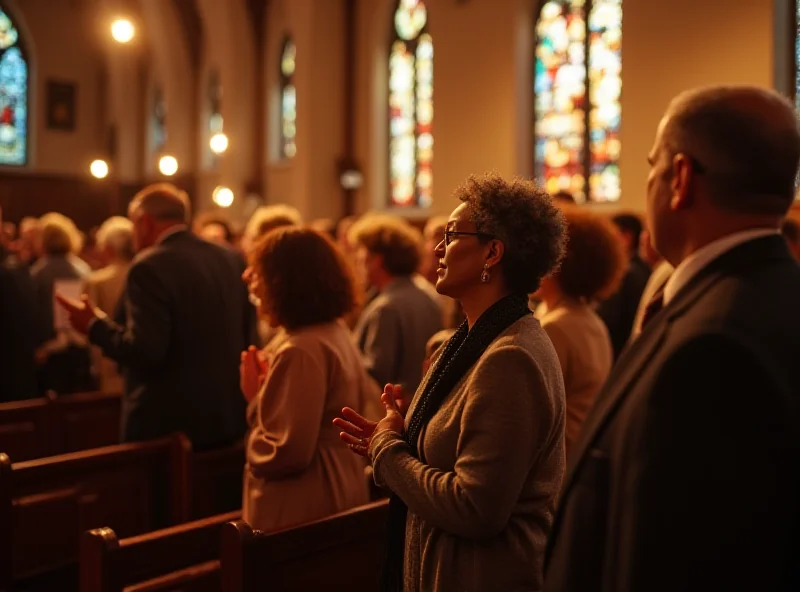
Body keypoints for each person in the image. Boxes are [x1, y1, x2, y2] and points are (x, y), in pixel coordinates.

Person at [544, 86, 800, 592]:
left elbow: (668, 557)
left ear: (680, 179)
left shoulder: (708, 351)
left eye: (652, 164)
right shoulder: (776, 295)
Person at [335, 173, 568, 591]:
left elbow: (476, 508)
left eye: (451, 234)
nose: (437, 248)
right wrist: (402, 433)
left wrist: (388, 452)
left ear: (492, 252)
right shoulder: (465, 343)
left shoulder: (510, 357)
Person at [56, 183, 254, 449]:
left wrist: (93, 326)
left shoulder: (150, 265)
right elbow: (248, 334)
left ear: (144, 221)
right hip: (226, 420)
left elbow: (146, 351)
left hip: (168, 428)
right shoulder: (229, 258)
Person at [239, 227, 380, 531]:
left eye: (260, 275)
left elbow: (285, 453)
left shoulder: (300, 349)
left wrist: (255, 400)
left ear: (285, 283)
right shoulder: (333, 330)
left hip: (305, 501)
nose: (252, 283)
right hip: (338, 483)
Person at [533, 207, 626, 459]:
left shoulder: (556, 327)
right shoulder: (590, 319)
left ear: (558, 262)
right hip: (579, 455)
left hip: (558, 464)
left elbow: (532, 416)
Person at [349, 215, 442, 394]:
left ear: (376, 260)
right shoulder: (428, 295)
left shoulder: (385, 308)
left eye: (362, 255)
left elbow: (375, 376)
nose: (358, 262)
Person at [83, 216, 135, 393]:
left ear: (108, 248)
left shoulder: (97, 281)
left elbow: (89, 326)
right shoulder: (145, 274)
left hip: (110, 365)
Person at [596, 213, 651, 358]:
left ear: (626, 237)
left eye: (610, 233)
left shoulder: (625, 273)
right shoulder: (643, 267)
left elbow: (608, 320)